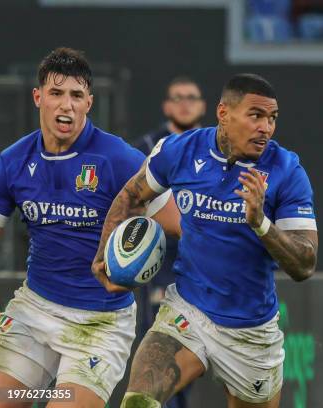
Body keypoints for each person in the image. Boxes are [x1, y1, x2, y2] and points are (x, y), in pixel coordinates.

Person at [92, 73, 318, 408]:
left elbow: (305, 264)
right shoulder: (179, 150)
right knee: (138, 402)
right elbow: (131, 195)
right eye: (255, 116)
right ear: (224, 113)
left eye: (272, 119)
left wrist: (261, 224)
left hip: (250, 330)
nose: (266, 129)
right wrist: (104, 256)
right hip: (187, 310)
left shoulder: (287, 170)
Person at [0, 47, 179, 408]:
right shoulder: (12, 162)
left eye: (76, 95)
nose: (66, 105)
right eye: (56, 93)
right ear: (38, 97)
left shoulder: (118, 158)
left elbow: (179, 224)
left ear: (89, 103)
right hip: (34, 313)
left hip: (100, 325)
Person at [133, 76, 206, 408]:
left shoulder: (215, 148)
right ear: (166, 106)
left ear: (203, 106)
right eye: (178, 97)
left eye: (191, 97)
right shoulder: (148, 147)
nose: (185, 103)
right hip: (161, 264)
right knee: (163, 348)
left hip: (203, 264)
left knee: (197, 347)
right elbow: (131, 200)